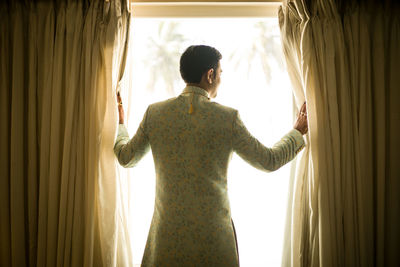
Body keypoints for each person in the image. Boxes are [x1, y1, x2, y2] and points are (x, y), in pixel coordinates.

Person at [114, 45, 308, 267]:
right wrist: (297, 132)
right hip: (214, 238)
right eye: (220, 73)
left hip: (167, 239)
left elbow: (125, 157)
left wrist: (120, 124)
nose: (220, 79)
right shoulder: (227, 118)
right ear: (210, 74)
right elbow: (269, 160)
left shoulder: (155, 114)